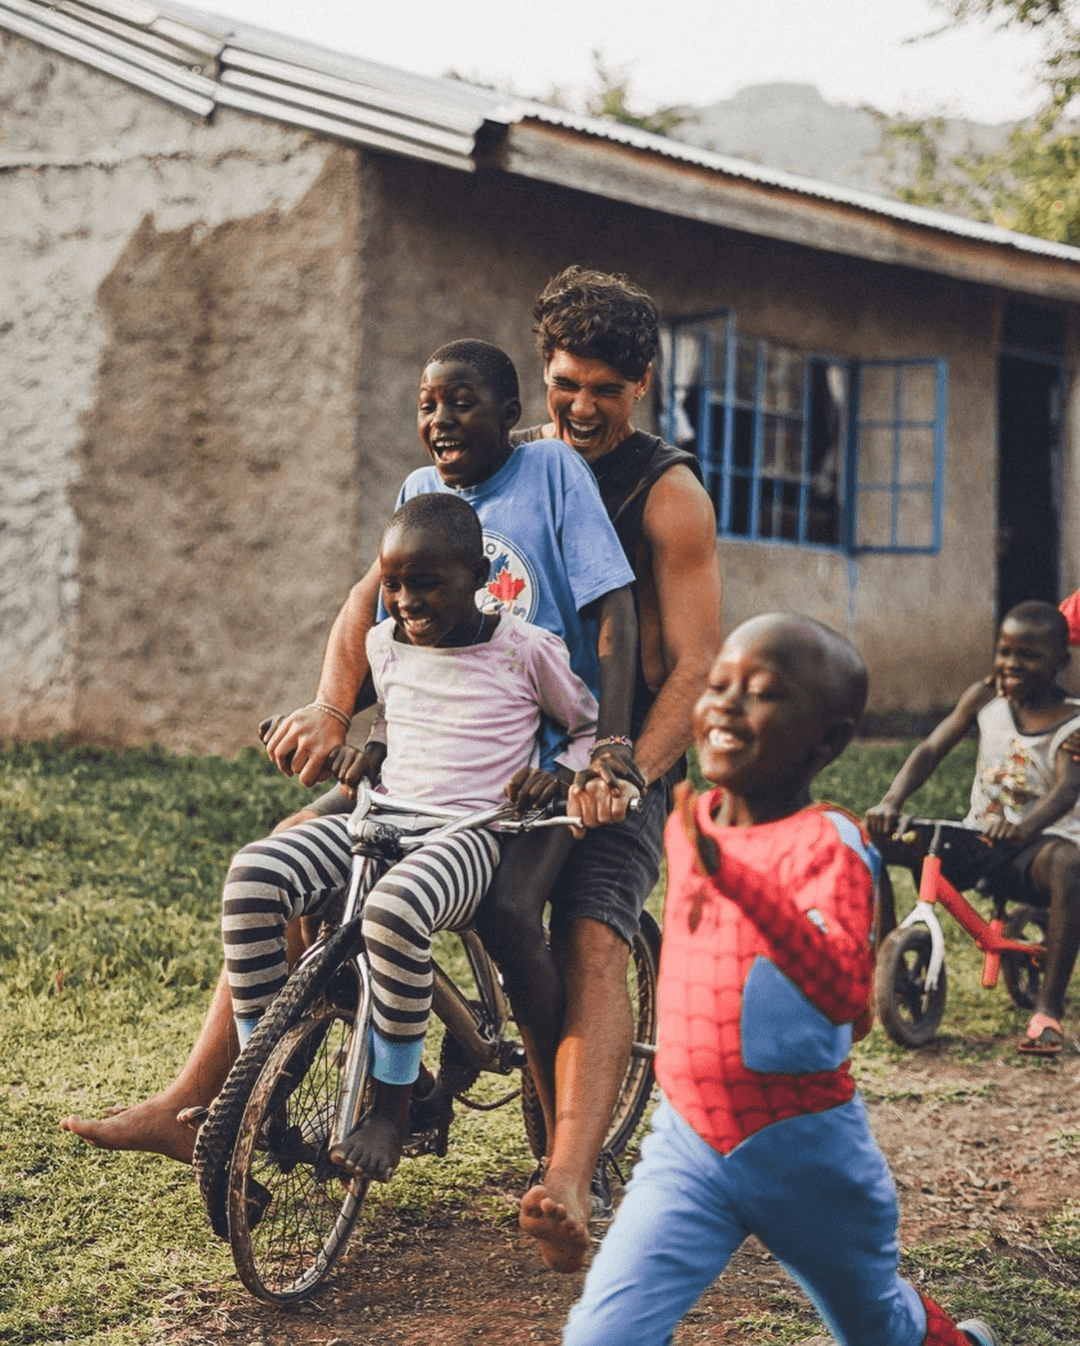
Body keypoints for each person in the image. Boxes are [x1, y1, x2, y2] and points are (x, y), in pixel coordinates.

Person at [60, 338, 638, 1164]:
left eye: (463, 402)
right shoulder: (416, 505)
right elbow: (372, 622)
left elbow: (612, 611)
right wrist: (342, 720)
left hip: (518, 778)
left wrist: (603, 751)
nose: (440, 420)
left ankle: (556, 1127)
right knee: (271, 865)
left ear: (511, 414)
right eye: (428, 404)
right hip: (414, 781)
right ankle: (259, 1080)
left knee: (507, 915)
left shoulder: (550, 485)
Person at [561, 612, 1000, 1346]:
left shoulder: (833, 844)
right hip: (690, 1142)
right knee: (602, 1338)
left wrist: (736, 878)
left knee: (877, 1329)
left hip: (803, 1149)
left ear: (827, 740)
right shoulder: (691, 818)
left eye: (760, 693)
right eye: (720, 685)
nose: (726, 705)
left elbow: (840, 988)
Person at [224, 492, 600, 1181]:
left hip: (470, 835)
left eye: (427, 583)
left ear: (481, 574)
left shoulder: (525, 651)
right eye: (393, 584)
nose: (405, 600)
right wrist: (369, 752)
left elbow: (582, 726)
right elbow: (400, 724)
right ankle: (262, 1069)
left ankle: (394, 1110)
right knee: (254, 875)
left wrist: (557, 773)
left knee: (393, 914)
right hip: (386, 817)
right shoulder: (383, 644)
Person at [503, 266, 721, 1271]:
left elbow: (694, 665)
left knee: (592, 934)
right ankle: (214, 1095)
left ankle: (569, 1176)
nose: (582, 408)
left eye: (605, 388)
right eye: (564, 385)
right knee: (306, 850)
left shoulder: (667, 491)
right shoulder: (506, 464)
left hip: (619, 761)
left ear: (641, 384)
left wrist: (632, 766)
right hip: (492, 750)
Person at [867, 599, 1080, 1057]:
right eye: (1004, 651)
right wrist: (891, 800)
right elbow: (930, 748)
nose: (1010, 663)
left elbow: (1065, 792)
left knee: (1067, 863)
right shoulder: (985, 699)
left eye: (1027, 655)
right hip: (980, 837)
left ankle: (1047, 1011)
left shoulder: (1073, 723)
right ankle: (883, 964)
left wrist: (1023, 827)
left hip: (1038, 848)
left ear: (1060, 663)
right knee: (878, 842)